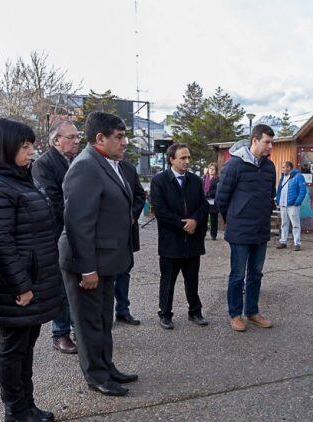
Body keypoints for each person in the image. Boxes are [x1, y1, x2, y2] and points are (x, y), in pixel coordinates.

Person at [0, 119, 62, 422]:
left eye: (31, 145)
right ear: (5, 147)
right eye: (24, 147)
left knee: (26, 344)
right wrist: (21, 286)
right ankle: (16, 412)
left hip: (30, 277)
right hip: (13, 284)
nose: (31, 152)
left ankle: (27, 404)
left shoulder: (20, 177)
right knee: (13, 347)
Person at [59, 112, 138, 397]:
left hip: (105, 260)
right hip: (86, 262)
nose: (124, 142)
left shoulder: (108, 163)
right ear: (100, 138)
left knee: (103, 319)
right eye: (119, 137)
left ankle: (106, 366)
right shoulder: (86, 167)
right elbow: (78, 223)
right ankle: (96, 376)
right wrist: (87, 268)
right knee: (89, 322)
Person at [216, 124, 277, 332]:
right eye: (267, 142)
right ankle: (235, 314)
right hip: (240, 230)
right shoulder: (234, 165)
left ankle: (252, 312)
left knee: (256, 274)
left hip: (260, 230)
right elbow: (221, 198)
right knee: (237, 275)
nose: (270, 146)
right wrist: (233, 219)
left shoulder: (269, 167)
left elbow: (270, 196)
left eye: (272, 142)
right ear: (255, 140)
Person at [31, 120, 80, 354]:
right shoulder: (44, 164)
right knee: (61, 286)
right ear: (56, 140)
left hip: (77, 232)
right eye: (71, 137)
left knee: (76, 284)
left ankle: (77, 328)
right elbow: (51, 200)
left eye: (77, 137)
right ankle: (60, 333)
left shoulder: (76, 161)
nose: (76, 141)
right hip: (57, 233)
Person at [150, 143, 210, 330]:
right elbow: (160, 210)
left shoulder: (195, 180)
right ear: (171, 160)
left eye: (188, 157)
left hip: (192, 241)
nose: (187, 161)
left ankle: (195, 312)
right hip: (172, 241)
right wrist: (183, 224)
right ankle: (165, 314)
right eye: (182, 158)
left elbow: (204, 205)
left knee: (192, 279)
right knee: (168, 281)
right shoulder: (160, 181)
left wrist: (194, 221)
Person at [113, 157, 146, 325]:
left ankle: (123, 310)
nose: (121, 146)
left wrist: (132, 215)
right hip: (106, 231)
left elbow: (140, 195)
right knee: (107, 274)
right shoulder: (94, 166)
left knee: (124, 271)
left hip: (127, 231)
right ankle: (105, 313)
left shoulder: (128, 168)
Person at [275, 161, 307, 250]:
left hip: (293, 204)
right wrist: (278, 199)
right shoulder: (283, 177)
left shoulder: (298, 176)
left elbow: (303, 190)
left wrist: (297, 202)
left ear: (289, 167)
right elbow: (280, 190)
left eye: (284, 167)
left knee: (295, 224)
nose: (283, 169)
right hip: (283, 204)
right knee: (284, 224)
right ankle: (283, 242)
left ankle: (297, 243)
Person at [204, 163, 220, 240]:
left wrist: (209, 193)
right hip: (204, 201)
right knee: (203, 218)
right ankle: (203, 233)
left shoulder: (218, 179)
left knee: (214, 219)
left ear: (216, 170)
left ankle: (213, 235)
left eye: (213, 169)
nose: (211, 170)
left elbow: (218, 190)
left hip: (213, 201)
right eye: (210, 169)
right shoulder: (204, 178)